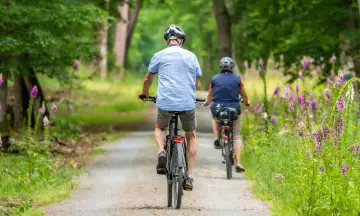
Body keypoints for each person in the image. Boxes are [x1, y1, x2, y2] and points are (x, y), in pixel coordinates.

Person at [138, 24, 202, 191]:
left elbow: (148, 79)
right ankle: (189, 176)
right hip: (187, 103)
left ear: (167, 40)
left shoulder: (159, 55)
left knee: (160, 128)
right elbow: (197, 82)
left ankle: (161, 152)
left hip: (165, 102)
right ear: (181, 41)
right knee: (191, 135)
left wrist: (145, 93)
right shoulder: (191, 56)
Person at [203, 57, 250, 173]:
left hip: (218, 109)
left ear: (220, 67)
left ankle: (217, 137)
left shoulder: (214, 79)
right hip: (234, 109)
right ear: (232, 67)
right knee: (237, 136)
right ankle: (238, 162)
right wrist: (247, 102)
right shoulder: (238, 79)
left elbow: (210, 96)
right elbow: (243, 94)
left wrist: (207, 102)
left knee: (215, 119)